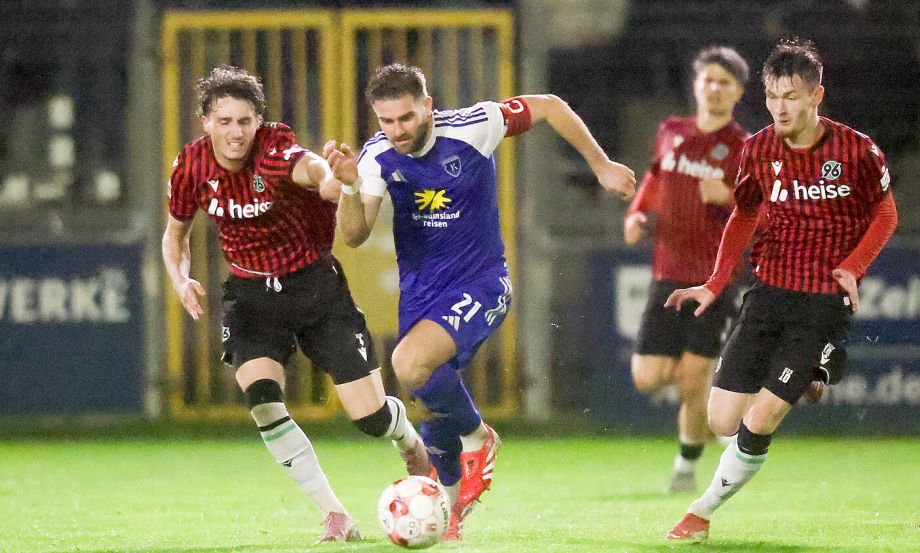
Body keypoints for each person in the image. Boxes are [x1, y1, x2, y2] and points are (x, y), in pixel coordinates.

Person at [324, 63, 636, 540]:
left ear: (427, 105)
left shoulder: (475, 126)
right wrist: (348, 185)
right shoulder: (377, 156)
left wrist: (601, 165)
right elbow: (354, 234)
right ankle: (447, 513)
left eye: (405, 118)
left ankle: (480, 438)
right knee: (431, 407)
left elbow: (549, 107)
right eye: (385, 121)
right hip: (421, 296)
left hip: (482, 283)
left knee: (408, 364)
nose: (397, 131)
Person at [161, 65, 430, 544]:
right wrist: (180, 278)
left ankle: (408, 439)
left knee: (369, 418)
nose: (235, 132)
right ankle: (335, 514)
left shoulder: (274, 151)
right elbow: (174, 235)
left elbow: (314, 173)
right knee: (262, 400)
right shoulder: (191, 167)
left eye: (245, 121)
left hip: (315, 290)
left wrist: (341, 180)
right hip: (250, 298)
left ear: (258, 121)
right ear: (205, 121)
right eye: (224, 121)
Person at [662, 38, 898, 543]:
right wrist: (715, 281)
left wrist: (854, 266)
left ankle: (700, 512)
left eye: (790, 96)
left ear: (816, 95)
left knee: (763, 415)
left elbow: (885, 213)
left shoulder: (857, 150)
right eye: (771, 96)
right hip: (769, 293)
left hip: (822, 301)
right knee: (723, 420)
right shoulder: (759, 148)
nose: (779, 107)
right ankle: (818, 367)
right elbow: (744, 212)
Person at [623, 46, 749, 493]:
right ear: (696, 85)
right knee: (647, 377)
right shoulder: (671, 132)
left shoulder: (743, 147)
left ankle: (685, 467)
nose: (714, 88)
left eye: (724, 82)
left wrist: (729, 197)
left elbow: (762, 208)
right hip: (667, 272)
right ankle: (708, 414)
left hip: (714, 280)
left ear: (738, 92)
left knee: (694, 380)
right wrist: (637, 214)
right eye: (707, 80)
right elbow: (655, 180)